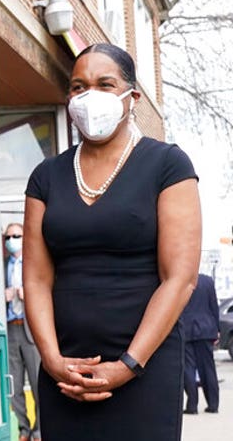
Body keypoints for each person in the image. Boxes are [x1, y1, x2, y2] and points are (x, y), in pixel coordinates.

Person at [23, 43, 201, 441]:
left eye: (106, 84)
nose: (90, 96)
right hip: (64, 369)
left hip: (144, 366)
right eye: (78, 87)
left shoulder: (167, 165)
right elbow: (35, 279)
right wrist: (51, 360)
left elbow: (179, 279)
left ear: (131, 96)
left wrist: (128, 365)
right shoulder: (46, 177)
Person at [3, 222, 41, 441]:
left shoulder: (33, 264)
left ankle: (38, 431)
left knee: (37, 383)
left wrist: (30, 296)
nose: (11, 240)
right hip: (11, 329)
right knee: (14, 385)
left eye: (15, 236)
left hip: (31, 331)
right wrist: (3, 295)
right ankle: (23, 430)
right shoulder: (1, 266)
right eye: (8, 237)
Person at [181, 273, 220, 414]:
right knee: (208, 368)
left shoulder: (181, 279)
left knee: (188, 368)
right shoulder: (207, 281)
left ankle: (192, 405)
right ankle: (213, 404)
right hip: (206, 328)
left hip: (185, 329)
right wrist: (217, 329)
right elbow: (214, 305)